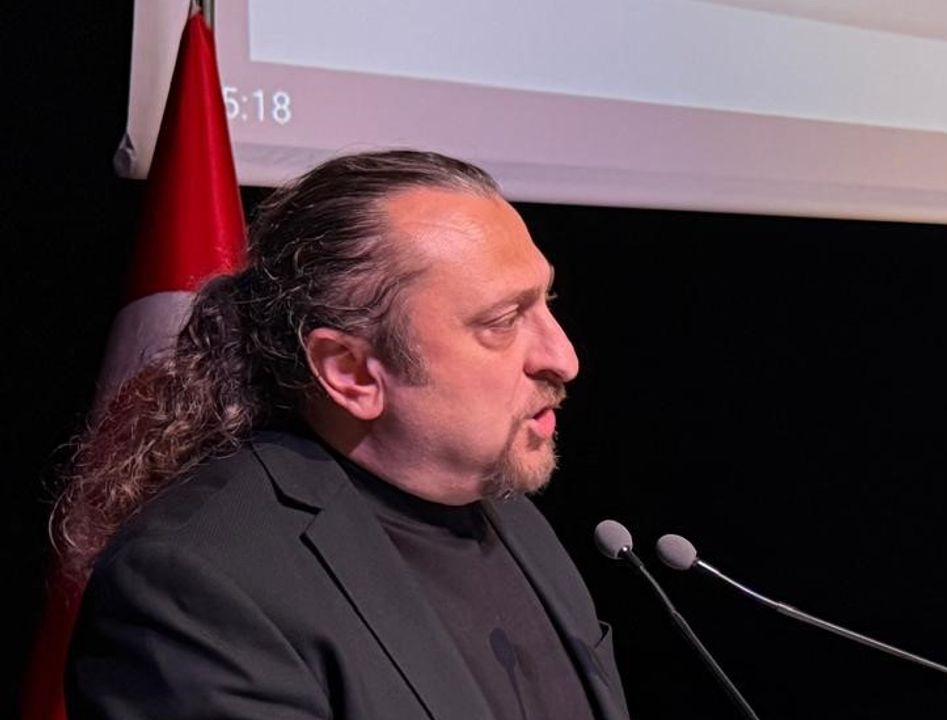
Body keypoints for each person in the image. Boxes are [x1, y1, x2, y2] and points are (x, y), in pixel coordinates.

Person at [57, 150, 629, 720]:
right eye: (502, 321)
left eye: (546, 301)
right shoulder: (194, 585)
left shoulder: (511, 516)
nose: (564, 358)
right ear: (350, 372)